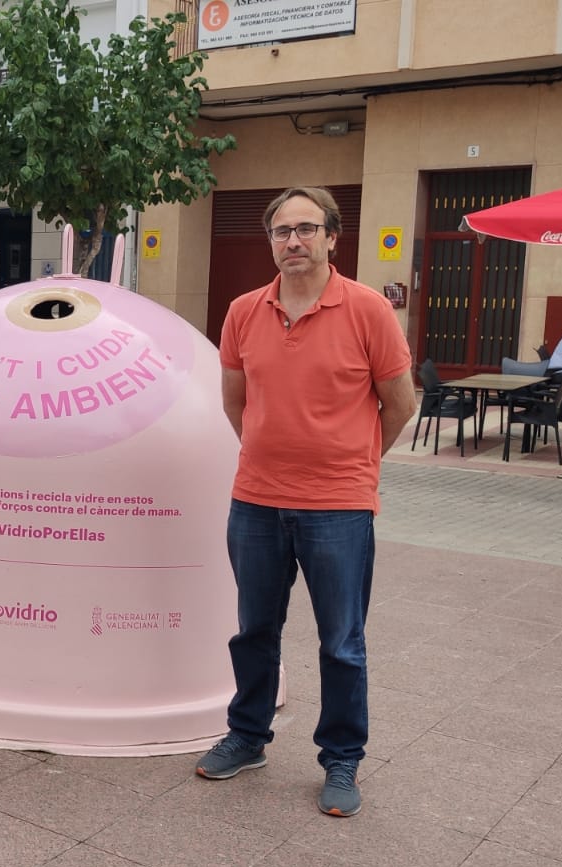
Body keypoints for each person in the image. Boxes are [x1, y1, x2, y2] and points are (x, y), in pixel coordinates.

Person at [199, 186, 415, 817]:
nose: (292, 240)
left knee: (341, 641)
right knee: (254, 630)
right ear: (270, 240)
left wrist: (354, 465)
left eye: (305, 229)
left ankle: (342, 758)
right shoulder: (243, 311)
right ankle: (248, 735)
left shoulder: (369, 310)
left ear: (331, 238)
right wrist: (269, 454)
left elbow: (401, 403)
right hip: (257, 500)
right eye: (281, 231)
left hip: (339, 507)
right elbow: (234, 400)